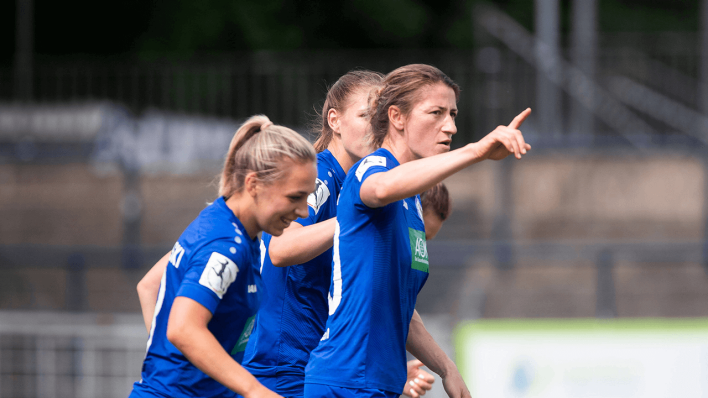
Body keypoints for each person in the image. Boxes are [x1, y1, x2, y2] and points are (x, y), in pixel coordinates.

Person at [135, 71, 434, 398]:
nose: (303, 210)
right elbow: (280, 249)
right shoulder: (315, 180)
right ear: (334, 120)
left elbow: (153, 285)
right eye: (366, 115)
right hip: (286, 370)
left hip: (305, 369)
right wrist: (180, 377)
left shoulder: (241, 235)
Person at [304, 64, 531, 398]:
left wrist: (447, 369)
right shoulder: (373, 167)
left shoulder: (411, 201)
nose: (450, 126)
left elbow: (402, 311)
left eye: (453, 114)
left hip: (379, 384)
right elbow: (378, 188)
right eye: (436, 113)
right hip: (344, 383)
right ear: (397, 117)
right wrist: (475, 151)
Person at [129, 115, 317, 398]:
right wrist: (255, 390)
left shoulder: (235, 230)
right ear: (253, 184)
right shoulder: (225, 245)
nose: (304, 211)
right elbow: (182, 328)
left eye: (307, 198)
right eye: (294, 197)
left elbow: (150, 286)